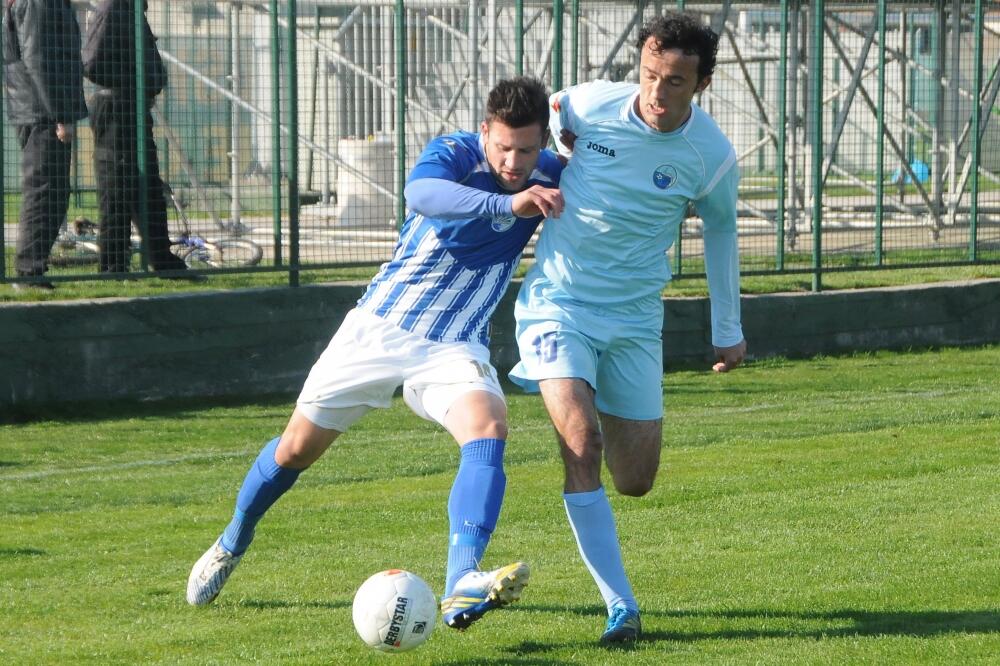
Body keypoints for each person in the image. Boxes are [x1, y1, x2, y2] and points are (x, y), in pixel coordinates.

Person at [186, 77, 565, 630]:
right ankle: (231, 541)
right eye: (503, 146)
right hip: (379, 330)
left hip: (454, 341)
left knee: (488, 429)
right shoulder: (455, 153)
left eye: (527, 150)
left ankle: (462, 578)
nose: (514, 160)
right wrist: (507, 201)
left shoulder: (551, 174)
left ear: (542, 144)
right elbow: (422, 195)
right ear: (485, 131)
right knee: (294, 450)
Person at [509, 12, 747, 643]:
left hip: (636, 321)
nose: (657, 94)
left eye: (674, 82)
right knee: (581, 444)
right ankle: (621, 607)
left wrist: (728, 327)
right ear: (640, 61)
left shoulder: (711, 155)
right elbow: (539, 125)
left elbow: (722, 232)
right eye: (650, 75)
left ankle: (593, 429)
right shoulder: (587, 105)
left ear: (701, 84)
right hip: (557, 304)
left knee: (636, 480)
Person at [81, 0, 188, 275]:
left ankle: (162, 260)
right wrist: (133, 83)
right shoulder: (113, 9)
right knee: (117, 187)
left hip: (133, 106)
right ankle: (113, 265)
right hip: (116, 108)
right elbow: (92, 63)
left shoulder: (130, 10)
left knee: (148, 184)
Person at [3, 0, 88, 290]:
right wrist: (60, 116)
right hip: (41, 113)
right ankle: (28, 271)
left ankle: (33, 267)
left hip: (40, 110)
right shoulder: (38, 3)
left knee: (54, 192)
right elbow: (39, 59)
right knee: (44, 191)